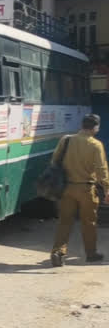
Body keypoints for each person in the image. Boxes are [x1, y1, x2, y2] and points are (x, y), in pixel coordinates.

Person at [51, 114, 109, 267]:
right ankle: (91, 254)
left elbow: (54, 160)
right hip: (86, 189)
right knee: (89, 223)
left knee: (65, 221)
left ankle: (58, 252)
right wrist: (107, 189)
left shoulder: (66, 140)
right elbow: (102, 169)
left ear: (82, 125)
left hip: (66, 188)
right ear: (96, 127)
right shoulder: (95, 145)